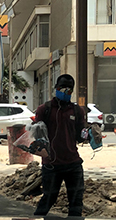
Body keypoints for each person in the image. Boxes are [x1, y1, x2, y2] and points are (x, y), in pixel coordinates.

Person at [32, 74, 87, 217]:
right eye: (62, 87)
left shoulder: (77, 111)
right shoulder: (44, 109)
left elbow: (80, 137)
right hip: (51, 165)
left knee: (76, 203)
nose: (65, 91)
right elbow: (36, 136)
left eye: (69, 89)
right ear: (56, 88)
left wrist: (91, 134)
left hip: (73, 163)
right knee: (48, 199)